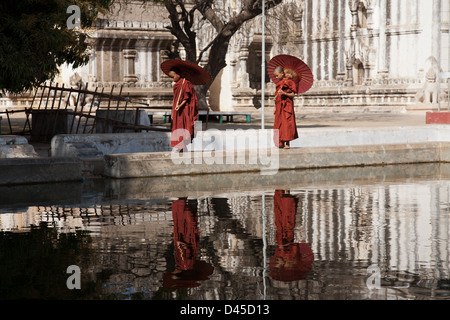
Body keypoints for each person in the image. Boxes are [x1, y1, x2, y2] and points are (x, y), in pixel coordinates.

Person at [168, 67, 199, 152]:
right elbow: (175, 99)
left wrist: (180, 105)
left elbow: (187, 97)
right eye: (171, 77)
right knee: (177, 127)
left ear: (178, 75)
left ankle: (183, 146)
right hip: (177, 110)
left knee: (184, 126)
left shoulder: (186, 83)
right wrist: (173, 112)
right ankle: (181, 146)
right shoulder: (178, 85)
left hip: (185, 110)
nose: (172, 79)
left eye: (173, 76)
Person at [273, 66, 299, 149]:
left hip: (286, 106)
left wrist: (284, 93)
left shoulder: (290, 82)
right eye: (275, 76)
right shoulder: (279, 84)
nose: (276, 78)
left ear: (282, 73)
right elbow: (277, 96)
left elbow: (292, 95)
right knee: (278, 124)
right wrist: (275, 107)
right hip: (279, 106)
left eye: (277, 75)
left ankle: (287, 144)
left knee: (287, 124)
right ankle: (280, 143)